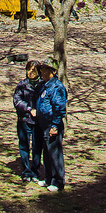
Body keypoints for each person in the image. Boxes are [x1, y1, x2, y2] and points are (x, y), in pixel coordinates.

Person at [36, 57, 68, 191]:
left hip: (52, 124)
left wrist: (54, 125)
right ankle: (48, 179)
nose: (42, 72)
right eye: (42, 69)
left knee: (55, 154)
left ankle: (58, 181)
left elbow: (59, 108)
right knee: (47, 153)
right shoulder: (44, 85)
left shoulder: (57, 87)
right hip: (44, 125)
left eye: (46, 70)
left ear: (53, 72)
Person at [12, 59, 44, 182]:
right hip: (24, 120)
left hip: (38, 121)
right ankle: (26, 171)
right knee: (24, 146)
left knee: (37, 147)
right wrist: (29, 109)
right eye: (28, 69)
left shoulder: (43, 85)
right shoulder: (22, 85)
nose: (30, 72)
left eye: (33, 70)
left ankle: (35, 172)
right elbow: (17, 101)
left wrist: (39, 111)